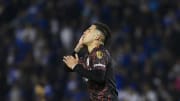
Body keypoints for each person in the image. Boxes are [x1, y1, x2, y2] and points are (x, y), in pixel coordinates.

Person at [63, 22, 118, 101]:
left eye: (89, 30)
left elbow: (99, 76)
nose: (84, 32)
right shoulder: (88, 57)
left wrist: (76, 66)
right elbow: (67, 67)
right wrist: (77, 48)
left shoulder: (100, 52)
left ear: (97, 37)